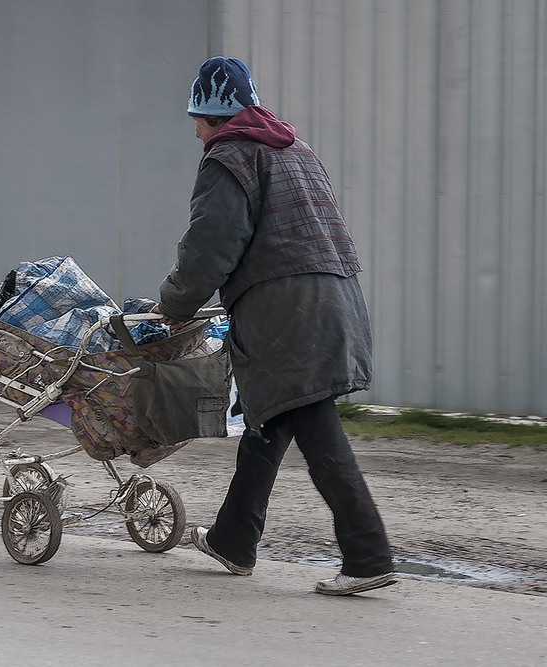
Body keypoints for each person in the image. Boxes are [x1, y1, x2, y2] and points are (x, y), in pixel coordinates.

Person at [156, 56, 395, 596]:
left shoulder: (229, 158)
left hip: (288, 314)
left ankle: (368, 554)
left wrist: (174, 302)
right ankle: (233, 539)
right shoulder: (295, 150)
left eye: (197, 116)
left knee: (314, 424)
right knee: (271, 418)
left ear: (216, 116)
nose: (194, 128)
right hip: (335, 298)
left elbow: (209, 248)